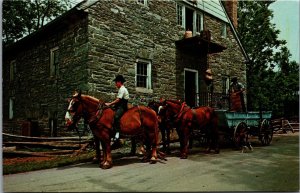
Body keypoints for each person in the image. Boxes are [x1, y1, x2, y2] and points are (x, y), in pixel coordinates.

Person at [105, 75, 129, 148]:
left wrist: (110, 103)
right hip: (119, 105)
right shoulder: (120, 89)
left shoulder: (122, 89)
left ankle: (118, 133)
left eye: (116, 82)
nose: (115, 84)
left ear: (119, 82)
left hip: (122, 106)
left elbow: (118, 100)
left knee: (116, 116)